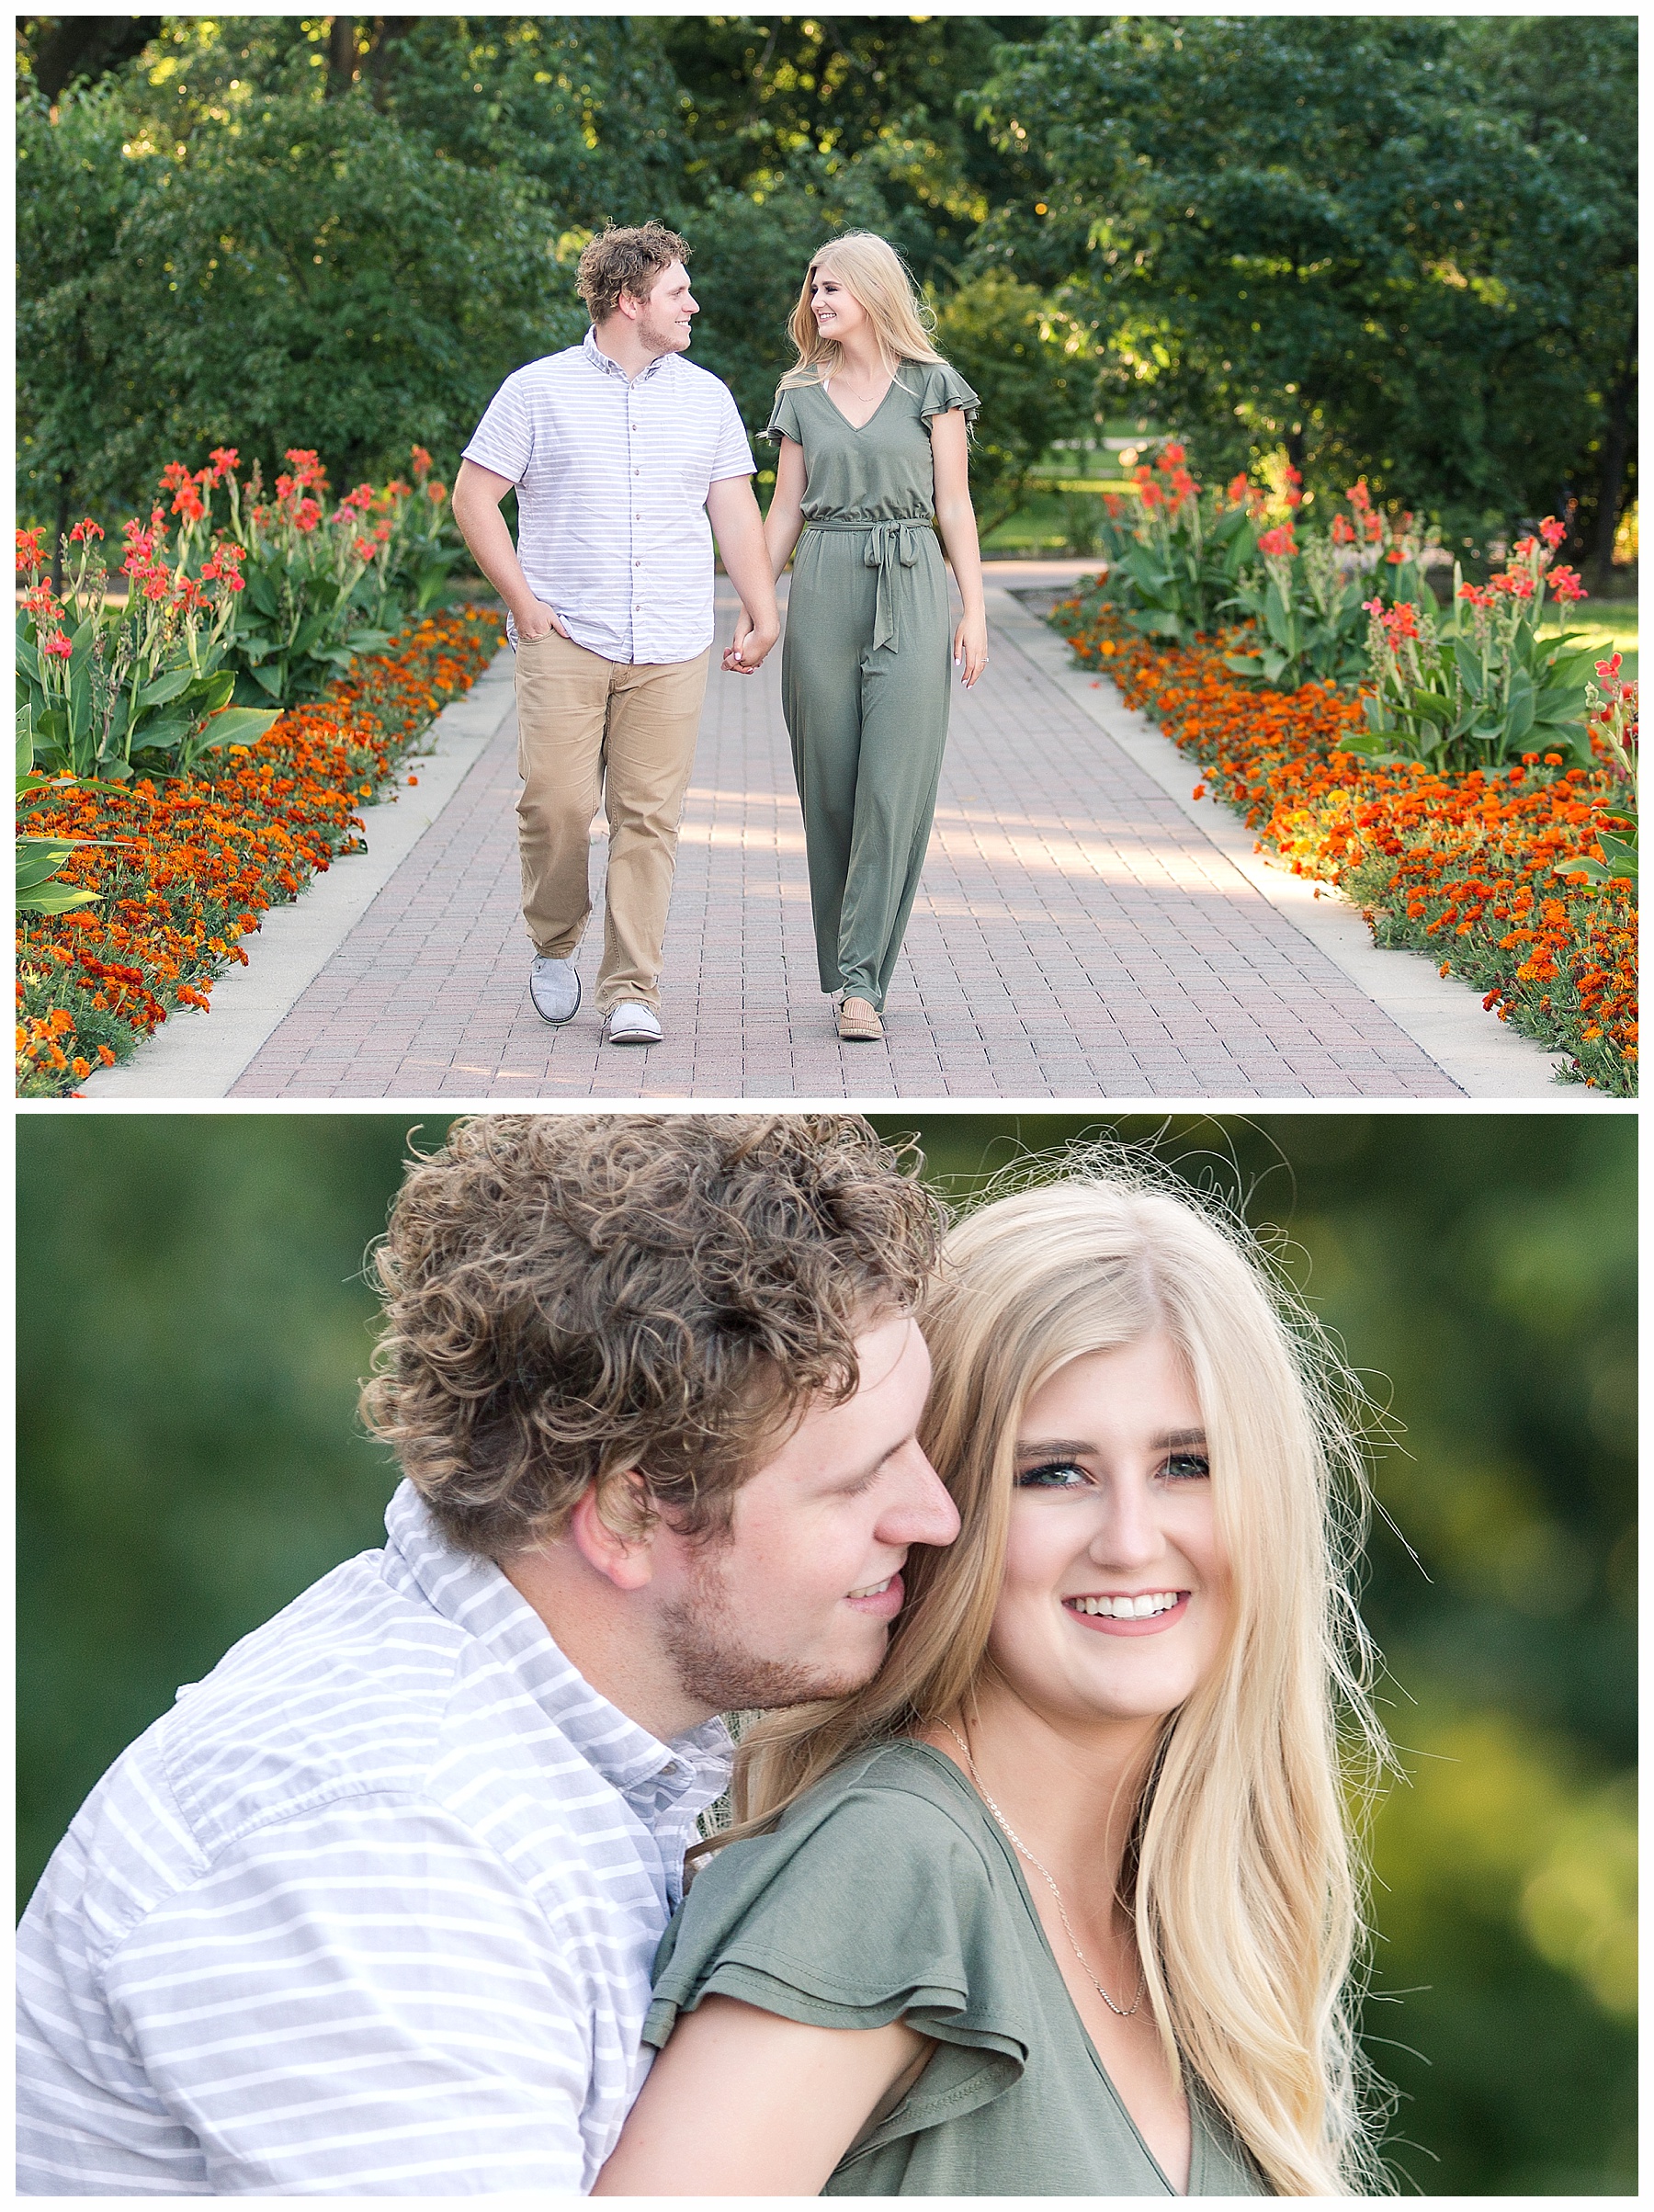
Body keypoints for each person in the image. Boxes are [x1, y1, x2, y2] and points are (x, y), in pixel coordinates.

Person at [16, 1114, 960, 2195]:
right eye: (857, 1480)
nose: (934, 1515)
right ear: (625, 1516)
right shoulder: (387, 1848)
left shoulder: (541, 1756)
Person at [597, 1166, 1392, 2196]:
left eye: (1186, 1464)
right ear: (944, 1500)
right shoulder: (895, 1862)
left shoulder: (1188, 1939)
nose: (1132, 1540)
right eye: (1054, 1472)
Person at [454, 224, 781, 1048]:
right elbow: (473, 498)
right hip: (565, 633)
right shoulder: (536, 391)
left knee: (649, 818)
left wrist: (761, 604)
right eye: (677, 291)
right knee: (557, 804)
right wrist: (524, 604)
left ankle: (633, 987)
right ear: (630, 300)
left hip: (672, 641)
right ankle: (554, 940)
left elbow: (734, 509)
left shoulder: (704, 396)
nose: (693, 304)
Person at [733, 233, 988, 1045]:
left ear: (874, 292)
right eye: (812, 289)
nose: (817, 301)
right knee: (832, 794)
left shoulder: (933, 387)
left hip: (911, 580)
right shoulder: (800, 395)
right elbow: (782, 513)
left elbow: (955, 506)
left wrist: (971, 609)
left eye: (832, 287)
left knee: (892, 790)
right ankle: (850, 969)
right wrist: (754, 607)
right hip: (825, 583)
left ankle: (860, 983)